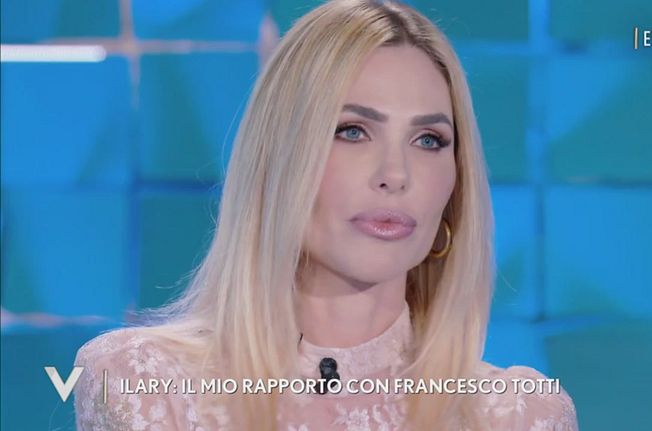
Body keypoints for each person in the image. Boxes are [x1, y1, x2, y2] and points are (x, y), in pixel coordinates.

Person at [73, 0, 578, 429]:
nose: (396, 174)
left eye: (428, 140)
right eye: (352, 131)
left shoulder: (517, 415)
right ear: (280, 158)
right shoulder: (146, 386)